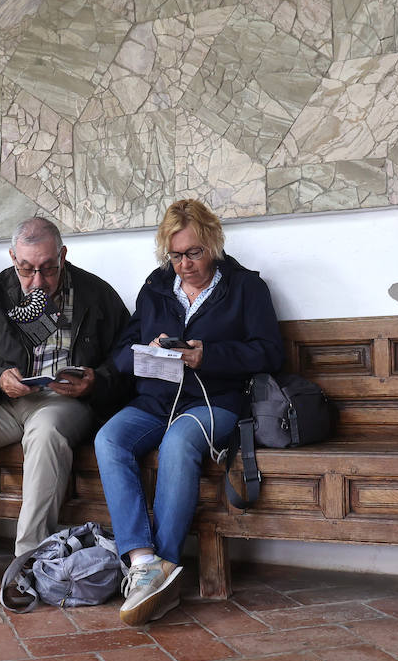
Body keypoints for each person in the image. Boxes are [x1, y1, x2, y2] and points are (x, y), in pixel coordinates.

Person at [94, 199, 284, 626]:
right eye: (176, 255)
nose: (185, 264)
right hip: (156, 401)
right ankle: (143, 561)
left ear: (213, 244)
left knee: (180, 439)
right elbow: (121, 355)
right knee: (109, 438)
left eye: (194, 253)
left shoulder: (246, 288)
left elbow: (271, 353)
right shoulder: (154, 288)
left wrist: (208, 356)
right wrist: (150, 352)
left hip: (216, 404)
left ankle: (162, 566)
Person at [0, 216, 130, 603]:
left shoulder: (96, 294)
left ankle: (28, 561)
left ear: (63, 257)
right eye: (26, 269)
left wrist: (96, 381)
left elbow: (126, 362)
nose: (38, 280)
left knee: (46, 431)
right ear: (12, 258)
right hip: (4, 399)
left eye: (48, 269)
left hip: (64, 401)